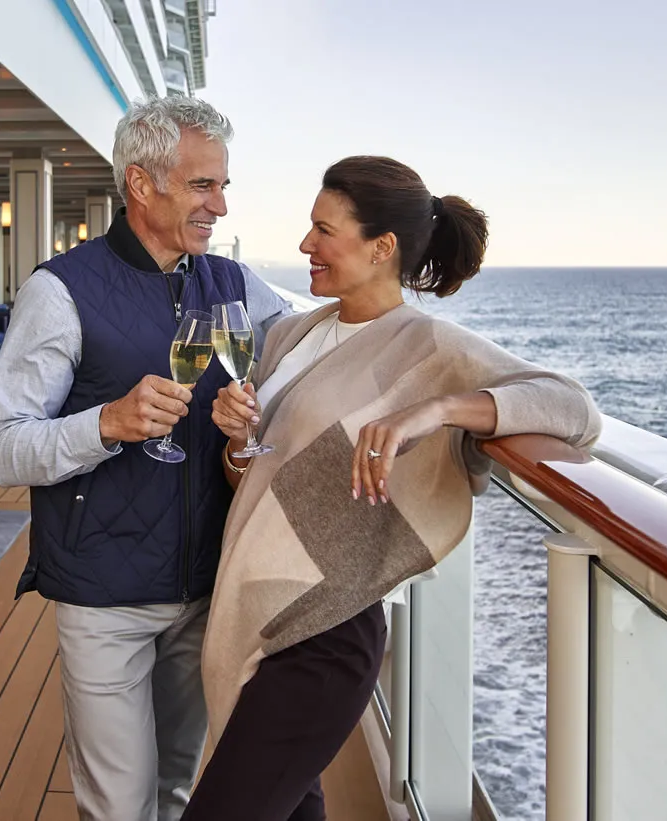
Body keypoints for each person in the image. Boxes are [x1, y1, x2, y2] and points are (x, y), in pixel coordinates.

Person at [188, 156, 602, 820]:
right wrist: (237, 439)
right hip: (249, 615)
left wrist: (435, 411)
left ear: (382, 247)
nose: (305, 246)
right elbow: (250, 476)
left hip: (324, 633)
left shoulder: (430, 348)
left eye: (324, 230)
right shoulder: (294, 333)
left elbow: (573, 408)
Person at [0, 96, 288, 821]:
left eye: (222, 186)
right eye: (201, 185)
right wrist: (106, 424)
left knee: (178, 789)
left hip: (205, 587)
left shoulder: (237, 284)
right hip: (104, 592)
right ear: (141, 184)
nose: (219, 204)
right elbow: (2, 449)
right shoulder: (58, 291)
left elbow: (312, 354)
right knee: (119, 806)